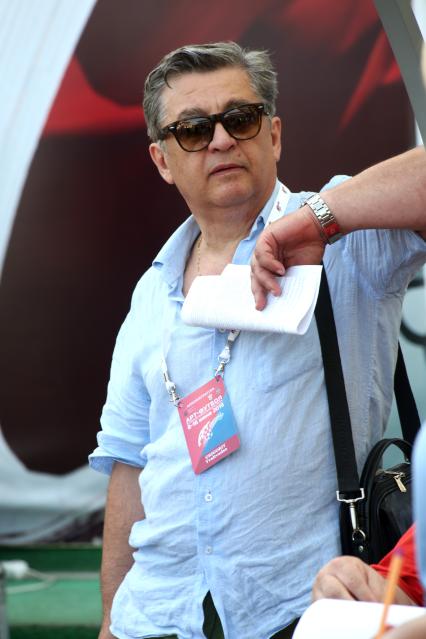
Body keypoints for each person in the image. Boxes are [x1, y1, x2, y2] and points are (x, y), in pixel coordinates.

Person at [89, 41, 426, 639]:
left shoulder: (344, 234)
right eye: (193, 129)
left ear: (273, 135)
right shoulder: (151, 290)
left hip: (303, 610)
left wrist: (319, 218)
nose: (220, 140)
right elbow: (130, 463)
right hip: (156, 614)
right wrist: (112, 622)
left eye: (240, 119)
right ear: (162, 160)